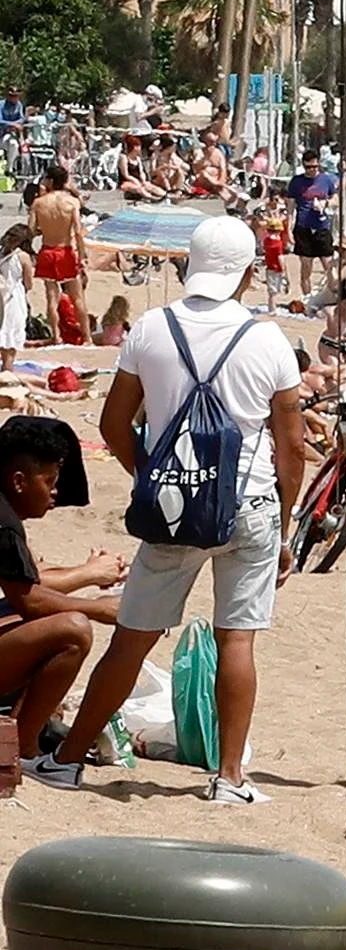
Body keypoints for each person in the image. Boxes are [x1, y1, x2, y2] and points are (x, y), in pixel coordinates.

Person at [43, 215, 307, 801]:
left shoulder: (151, 329)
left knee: (134, 637)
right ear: (246, 271)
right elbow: (292, 448)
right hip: (250, 502)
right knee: (237, 639)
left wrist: (152, 477)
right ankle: (231, 777)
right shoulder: (267, 339)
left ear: (191, 264)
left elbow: (114, 423)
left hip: (173, 506)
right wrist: (285, 525)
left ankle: (67, 756)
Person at [0, 417, 116, 780]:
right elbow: (29, 601)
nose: (55, 492)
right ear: (19, 481)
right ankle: (24, 749)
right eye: (49, 481)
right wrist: (99, 609)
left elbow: (29, 580)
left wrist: (88, 572)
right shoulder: (3, 523)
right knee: (73, 630)